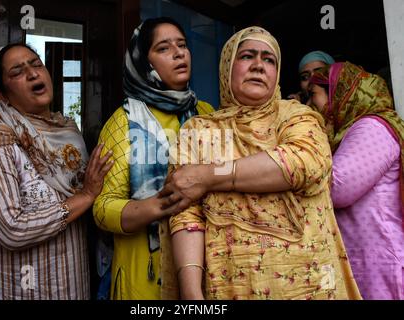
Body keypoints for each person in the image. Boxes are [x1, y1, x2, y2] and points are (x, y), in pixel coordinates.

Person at [162, 26, 361, 300]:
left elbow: (303, 162)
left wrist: (208, 176)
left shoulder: (296, 116)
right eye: (247, 56)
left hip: (308, 286)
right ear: (227, 67)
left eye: (269, 60)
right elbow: (185, 213)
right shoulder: (198, 130)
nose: (258, 65)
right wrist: (192, 293)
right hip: (228, 285)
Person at [0, 43, 114, 299]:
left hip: (70, 283)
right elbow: (12, 229)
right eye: (17, 72)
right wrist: (85, 196)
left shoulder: (68, 134)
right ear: (2, 95)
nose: (33, 74)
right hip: (14, 288)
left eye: (36, 64)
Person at [92, 17, 214, 300]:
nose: (178, 52)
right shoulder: (123, 122)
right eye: (163, 48)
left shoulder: (207, 114)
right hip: (145, 274)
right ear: (144, 63)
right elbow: (102, 208)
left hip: (207, 263)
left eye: (182, 45)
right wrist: (165, 202)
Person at [307, 61, 404, 299]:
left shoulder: (372, 126)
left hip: (379, 259)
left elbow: (339, 187)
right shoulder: (349, 132)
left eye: (313, 96)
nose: (308, 105)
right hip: (365, 257)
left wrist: (295, 166)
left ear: (338, 93)